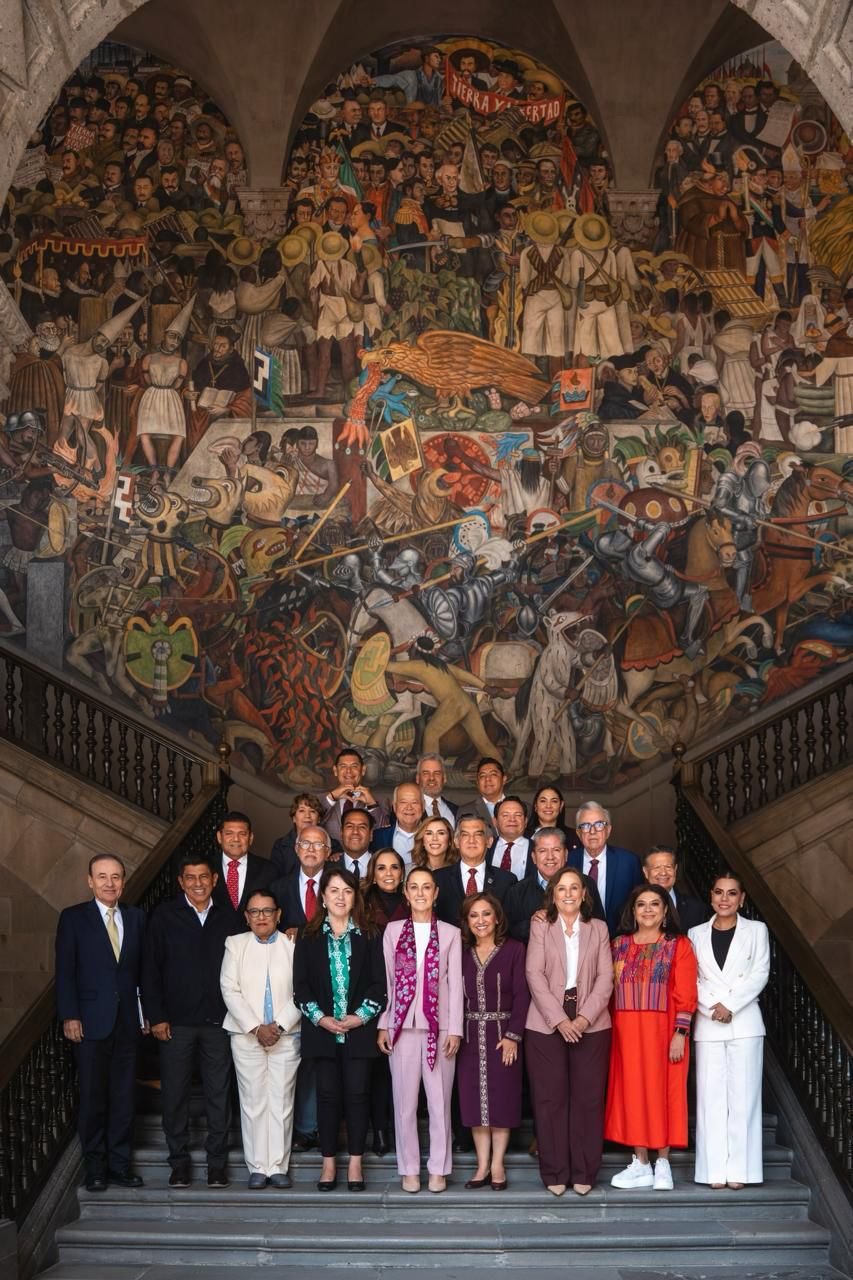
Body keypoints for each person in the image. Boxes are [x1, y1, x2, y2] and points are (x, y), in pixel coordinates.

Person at [142, 856, 239, 1188]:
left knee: (218, 1094)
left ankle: (217, 1165)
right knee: (174, 1095)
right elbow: (150, 969)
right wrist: (157, 1016)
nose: (198, 883)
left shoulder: (229, 917)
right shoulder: (164, 916)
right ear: (181, 882)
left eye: (203, 877)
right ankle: (179, 1163)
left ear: (214, 880)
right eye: (190, 878)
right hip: (176, 1024)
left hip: (219, 1022)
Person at [55, 855, 146, 1191]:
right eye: (103, 877)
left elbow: (144, 971)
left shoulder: (136, 917)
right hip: (91, 1022)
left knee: (124, 1097)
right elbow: (65, 971)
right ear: (90, 881)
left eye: (116, 877)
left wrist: (146, 1013)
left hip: (127, 1023)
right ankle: (95, 1167)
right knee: (93, 1097)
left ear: (123, 881)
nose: (110, 883)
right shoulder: (73, 918)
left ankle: (120, 1165)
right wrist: (70, 1015)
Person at [293, 867, 386, 1192]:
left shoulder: (370, 935)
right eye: (334, 891)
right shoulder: (307, 936)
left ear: (355, 897)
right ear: (323, 896)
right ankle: (329, 1162)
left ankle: (356, 1163)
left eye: (347, 891)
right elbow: (300, 987)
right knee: (327, 1097)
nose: (340, 897)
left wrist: (360, 1017)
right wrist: (321, 1018)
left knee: (358, 1096)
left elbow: (379, 985)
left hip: (359, 1032)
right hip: (322, 1032)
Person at [525, 867, 613, 1196]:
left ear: (584, 893)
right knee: (550, 1100)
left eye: (574, 887)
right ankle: (555, 1171)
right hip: (546, 1025)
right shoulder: (540, 925)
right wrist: (560, 1020)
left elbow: (606, 977)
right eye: (561, 888)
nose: (568, 894)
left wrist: (584, 1018)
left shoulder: (599, 928)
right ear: (553, 894)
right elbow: (534, 974)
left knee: (588, 1100)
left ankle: (584, 1171)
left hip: (592, 1024)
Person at [605, 884, 698, 1191]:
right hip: (625, 1033)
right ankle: (642, 1163)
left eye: (654, 904)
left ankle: (663, 1164)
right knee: (631, 1093)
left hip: (663, 1032)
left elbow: (686, 992)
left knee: (663, 1093)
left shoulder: (678, 945)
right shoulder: (618, 945)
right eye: (641, 904)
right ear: (633, 911)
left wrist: (680, 1033)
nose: (647, 910)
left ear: (665, 910)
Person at [377, 867, 463, 1193]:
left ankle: (439, 1168)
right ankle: (409, 1169)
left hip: (439, 1029)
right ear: (406, 893)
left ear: (436, 893)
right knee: (405, 1105)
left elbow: (455, 985)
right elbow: (387, 981)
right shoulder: (393, 931)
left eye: (426, 887)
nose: (420, 893)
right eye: (414, 887)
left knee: (439, 1104)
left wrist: (455, 1029)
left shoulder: (451, 933)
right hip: (401, 1027)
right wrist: (384, 1024)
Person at [690, 873, 770, 1190]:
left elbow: (760, 972)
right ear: (711, 896)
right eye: (719, 892)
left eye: (732, 893)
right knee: (709, 1100)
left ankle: (741, 1170)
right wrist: (713, 1005)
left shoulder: (757, 930)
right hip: (709, 1021)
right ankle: (712, 1172)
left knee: (744, 1099)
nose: (725, 899)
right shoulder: (695, 933)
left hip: (745, 1021)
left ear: (742, 898)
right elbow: (691, 977)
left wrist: (731, 1005)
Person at [220, 889, 302, 1189]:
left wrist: (278, 1025)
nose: (261, 917)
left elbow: (302, 989)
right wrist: (256, 1028)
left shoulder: (292, 944)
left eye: (267, 911)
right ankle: (257, 1166)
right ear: (247, 917)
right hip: (246, 1036)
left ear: (278, 915)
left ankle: (277, 1166)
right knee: (252, 1101)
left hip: (286, 1034)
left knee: (282, 1101)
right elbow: (229, 988)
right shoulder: (235, 944)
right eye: (254, 912)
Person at [457, 894, 529, 1190]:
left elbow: (523, 995)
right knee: (475, 1102)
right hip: (469, 1036)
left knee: (501, 1100)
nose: (481, 921)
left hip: (502, 1034)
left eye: (486, 914)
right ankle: (482, 1164)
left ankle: (498, 1164)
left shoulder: (514, 949)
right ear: (467, 921)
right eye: (474, 915)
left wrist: (513, 1035)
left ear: (497, 917)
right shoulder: (461, 952)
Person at [362, 848, 409, 1156]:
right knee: (377, 1067)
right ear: (373, 873)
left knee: (404, 1068)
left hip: (407, 992)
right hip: (371, 989)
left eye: (394, 867)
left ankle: (404, 1129)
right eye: (381, 868)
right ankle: (379, 1130)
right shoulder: (361, 903)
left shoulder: (413, 899)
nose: (388, 873)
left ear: (402, 872)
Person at [505, 828, 605, 944]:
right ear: (534, 857)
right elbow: (508, 934)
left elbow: (599, 929)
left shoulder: (586, 884)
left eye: (556, 850)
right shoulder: (517, 891)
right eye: (542, 851)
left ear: (566, 854)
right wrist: (532, 924)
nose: (550, 857)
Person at [567, 802, 643, 935]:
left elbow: (640, 904)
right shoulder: (568, 861)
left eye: (599, 825)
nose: (592, 831)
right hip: (576, 938)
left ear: (608, 830)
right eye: (585, 826)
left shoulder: (629, 862)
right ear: (578, 833)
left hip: (619, 939)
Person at [433, 815, 517, 926]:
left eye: (478, 835)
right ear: (456, 842)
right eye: (465, 835)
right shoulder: (438, 878)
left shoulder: (506, 880)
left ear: (489, 841)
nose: (471, 840)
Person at [210, 811, 276, 929]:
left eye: (242, 834)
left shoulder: (269, 870)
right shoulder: (206, 869)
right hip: (214, 937)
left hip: (255, 938)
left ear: (250, 838)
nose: (236, 839)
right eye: (229, 833)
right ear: (219, 837)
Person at [321, 748, 387, 845]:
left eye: (354, 766)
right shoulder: (323, 799)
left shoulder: (379, 801)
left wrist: (372, 805)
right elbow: (312, 824)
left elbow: (385, 835)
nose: (348, 771)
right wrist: (332, 797)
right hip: (331, 854)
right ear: (335, 770)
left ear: (363, 770)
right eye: (343, 766)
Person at [642, 846, 709, 932]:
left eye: (668, 867)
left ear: (675, 869)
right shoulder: (633, 908)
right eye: (657, 867)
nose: (663, 873)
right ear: (645, 872)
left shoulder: (696, 908)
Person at [269, 793, 326, 879]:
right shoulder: (280, 846)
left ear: (319, 819)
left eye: (312, 811)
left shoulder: (333, 845)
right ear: (294, 818)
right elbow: (275, 879)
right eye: (302, 811)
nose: (307, 816)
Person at [373, 782, 425, 862]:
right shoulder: (378, 837)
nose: (409, 807)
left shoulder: (435, 837)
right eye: (403, 802)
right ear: (394, 806)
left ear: (423, 806)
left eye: (414, 802)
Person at [456, 757, 507, 836]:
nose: (487, 779)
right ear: (477, 782)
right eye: (482, 776)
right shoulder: (466, 811)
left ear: (504, 779)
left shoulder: (522, 808)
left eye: (493, 774)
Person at [487, 796, 533, 881]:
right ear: (495, 821)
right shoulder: (485, 849)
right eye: (505, 815)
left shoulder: (537, 848)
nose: (512, 819)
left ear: (525, 821)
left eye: (518, 815)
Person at [524, 783, 580, 850]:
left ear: (561, 806)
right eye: (543, 801)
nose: (548, 806)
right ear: (535, 806)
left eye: (554, 801)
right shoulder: (523, 836)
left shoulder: (574, 836)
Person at [415, 752, 458, 823]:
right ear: (417, 778)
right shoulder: (409, 810)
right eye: (426, 773)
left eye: (437, 773)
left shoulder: (456, 811)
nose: (431, 778)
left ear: (444, 778)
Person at [339, 806, 375, 881]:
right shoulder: (328, 867)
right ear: (341, 833)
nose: (355, 832)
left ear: (371, 834)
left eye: (362, 827)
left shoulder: (380, 864)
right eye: (349, 826)